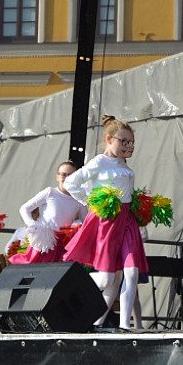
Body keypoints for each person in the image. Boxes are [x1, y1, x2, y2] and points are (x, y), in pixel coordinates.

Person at [62, 115, 148, 331]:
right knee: (109, 278)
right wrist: (92, 201)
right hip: (108, 221)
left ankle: (124, 326)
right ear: (109, 139)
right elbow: (72, 182)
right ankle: (75, 294)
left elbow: (128, 193)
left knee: (130, 273)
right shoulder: (99, 161)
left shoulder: (124, 164)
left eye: (130, 142)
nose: (128, 146)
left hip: (127, 221)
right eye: (123, 141)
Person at [8, 161, 85, 264]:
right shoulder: (50, 192)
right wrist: (33, 225)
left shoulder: (79, 200)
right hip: (45, 240)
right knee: (36, 269)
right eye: (63, 174)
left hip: (63, 243)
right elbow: (24, 208)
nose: (67, 178)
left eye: (70, 175)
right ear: (57, 176)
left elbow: (86, 223)